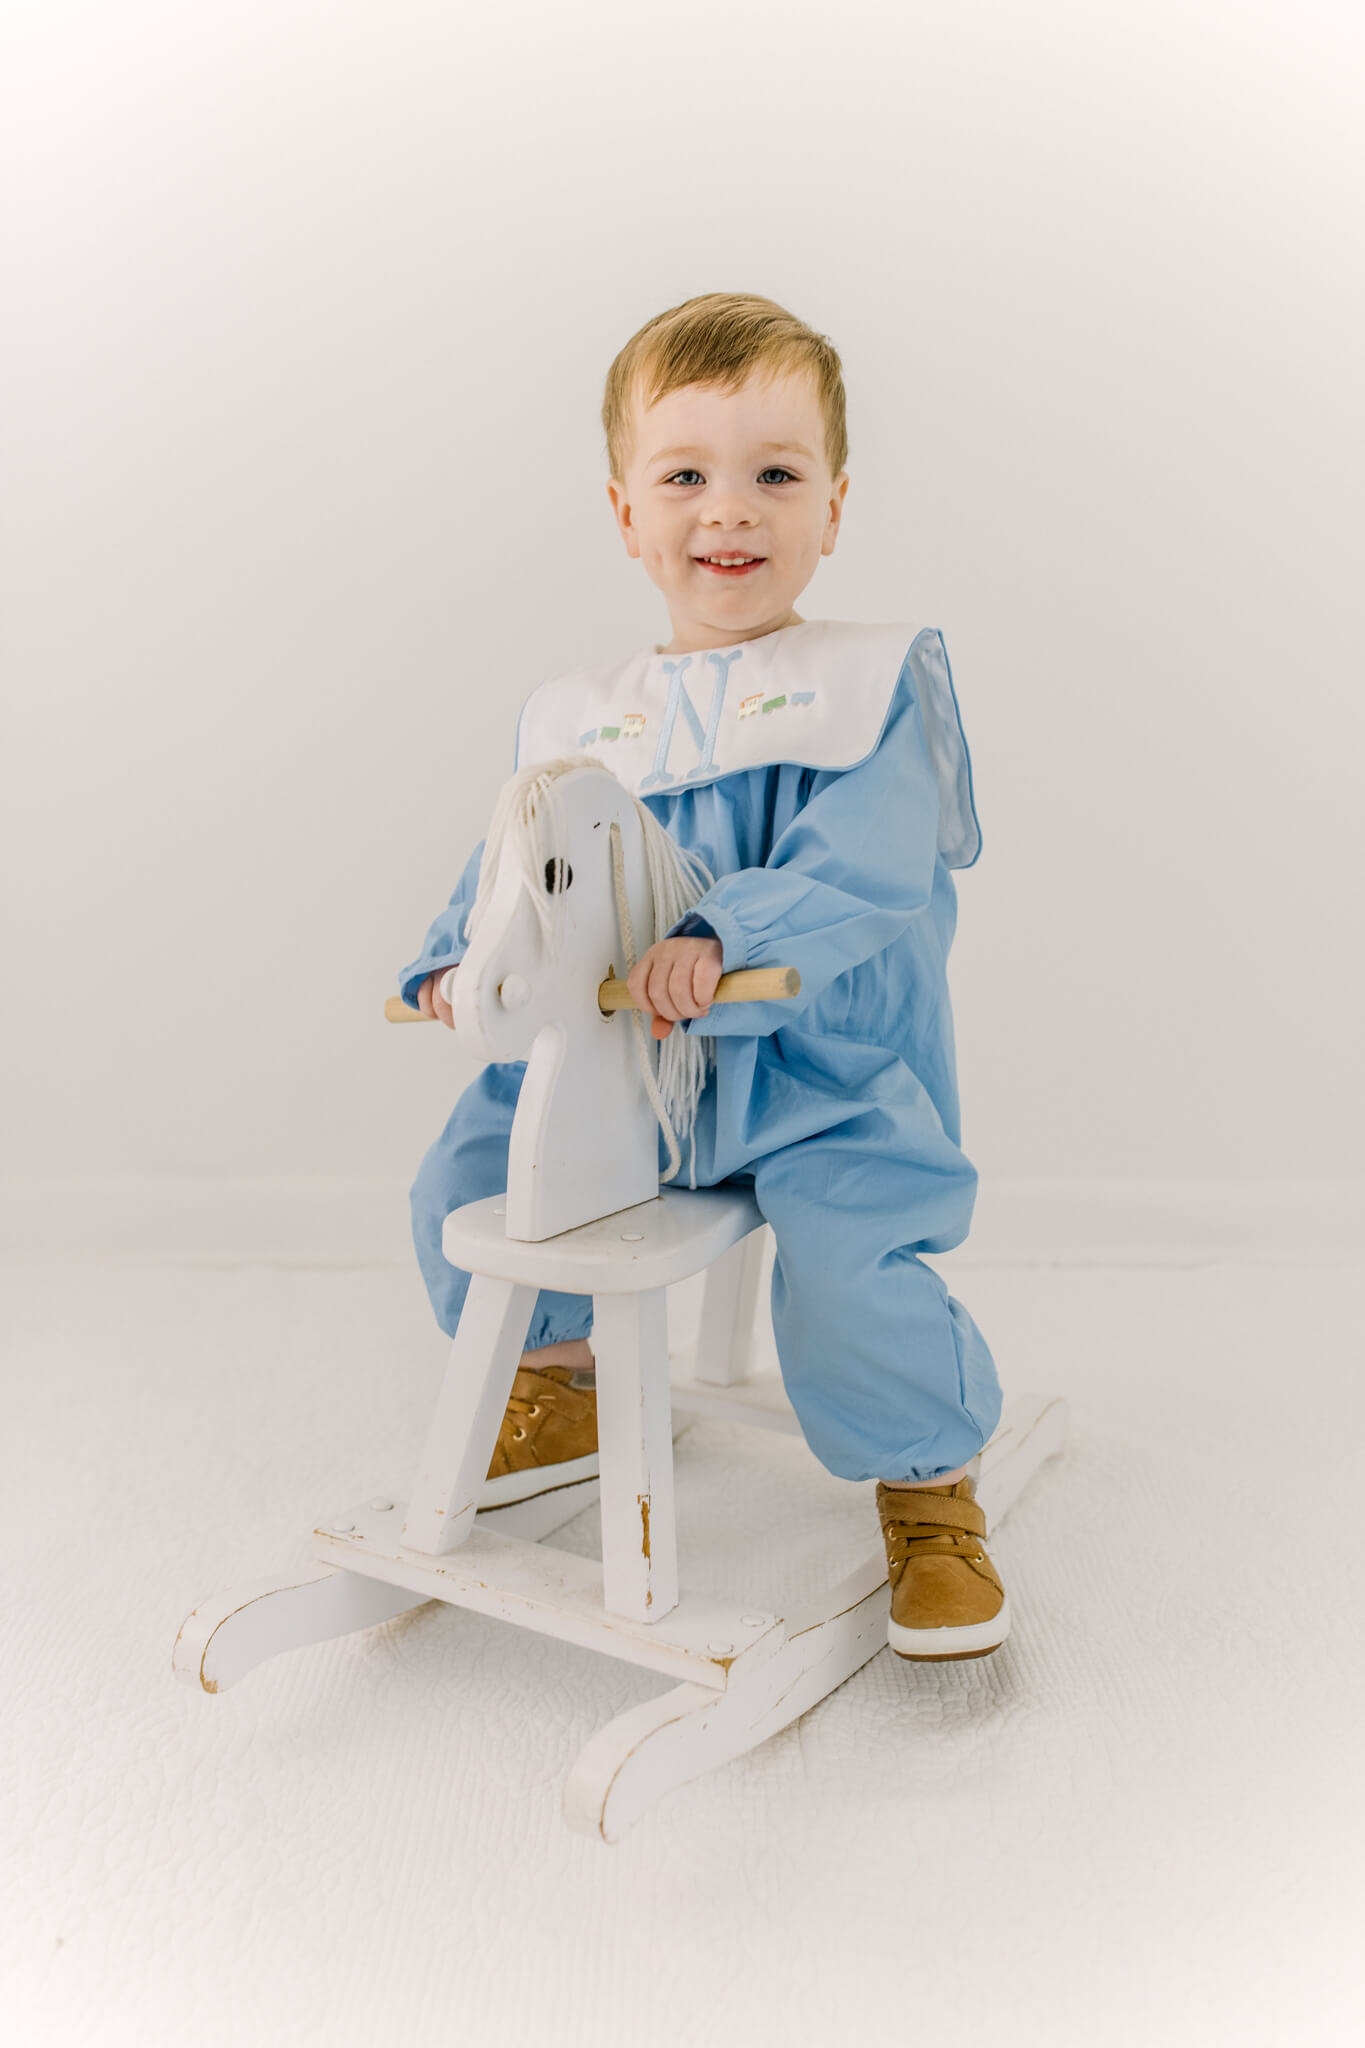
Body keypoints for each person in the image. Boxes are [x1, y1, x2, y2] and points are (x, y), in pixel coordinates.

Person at [397, 292, 1009, 1661]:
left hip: (806, 1062)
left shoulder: (865, 684)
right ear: (625, 513)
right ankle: (557, 1382)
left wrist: (726, 933)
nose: (727, 513)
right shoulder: (585, 715)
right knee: (473, 1173)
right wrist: (456, 955)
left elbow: (867, 861)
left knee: (849, 1257)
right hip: (635, 1068)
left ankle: (926, 1485)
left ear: (832, 508)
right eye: (685, 477)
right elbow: (521, 860)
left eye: (773, 476)